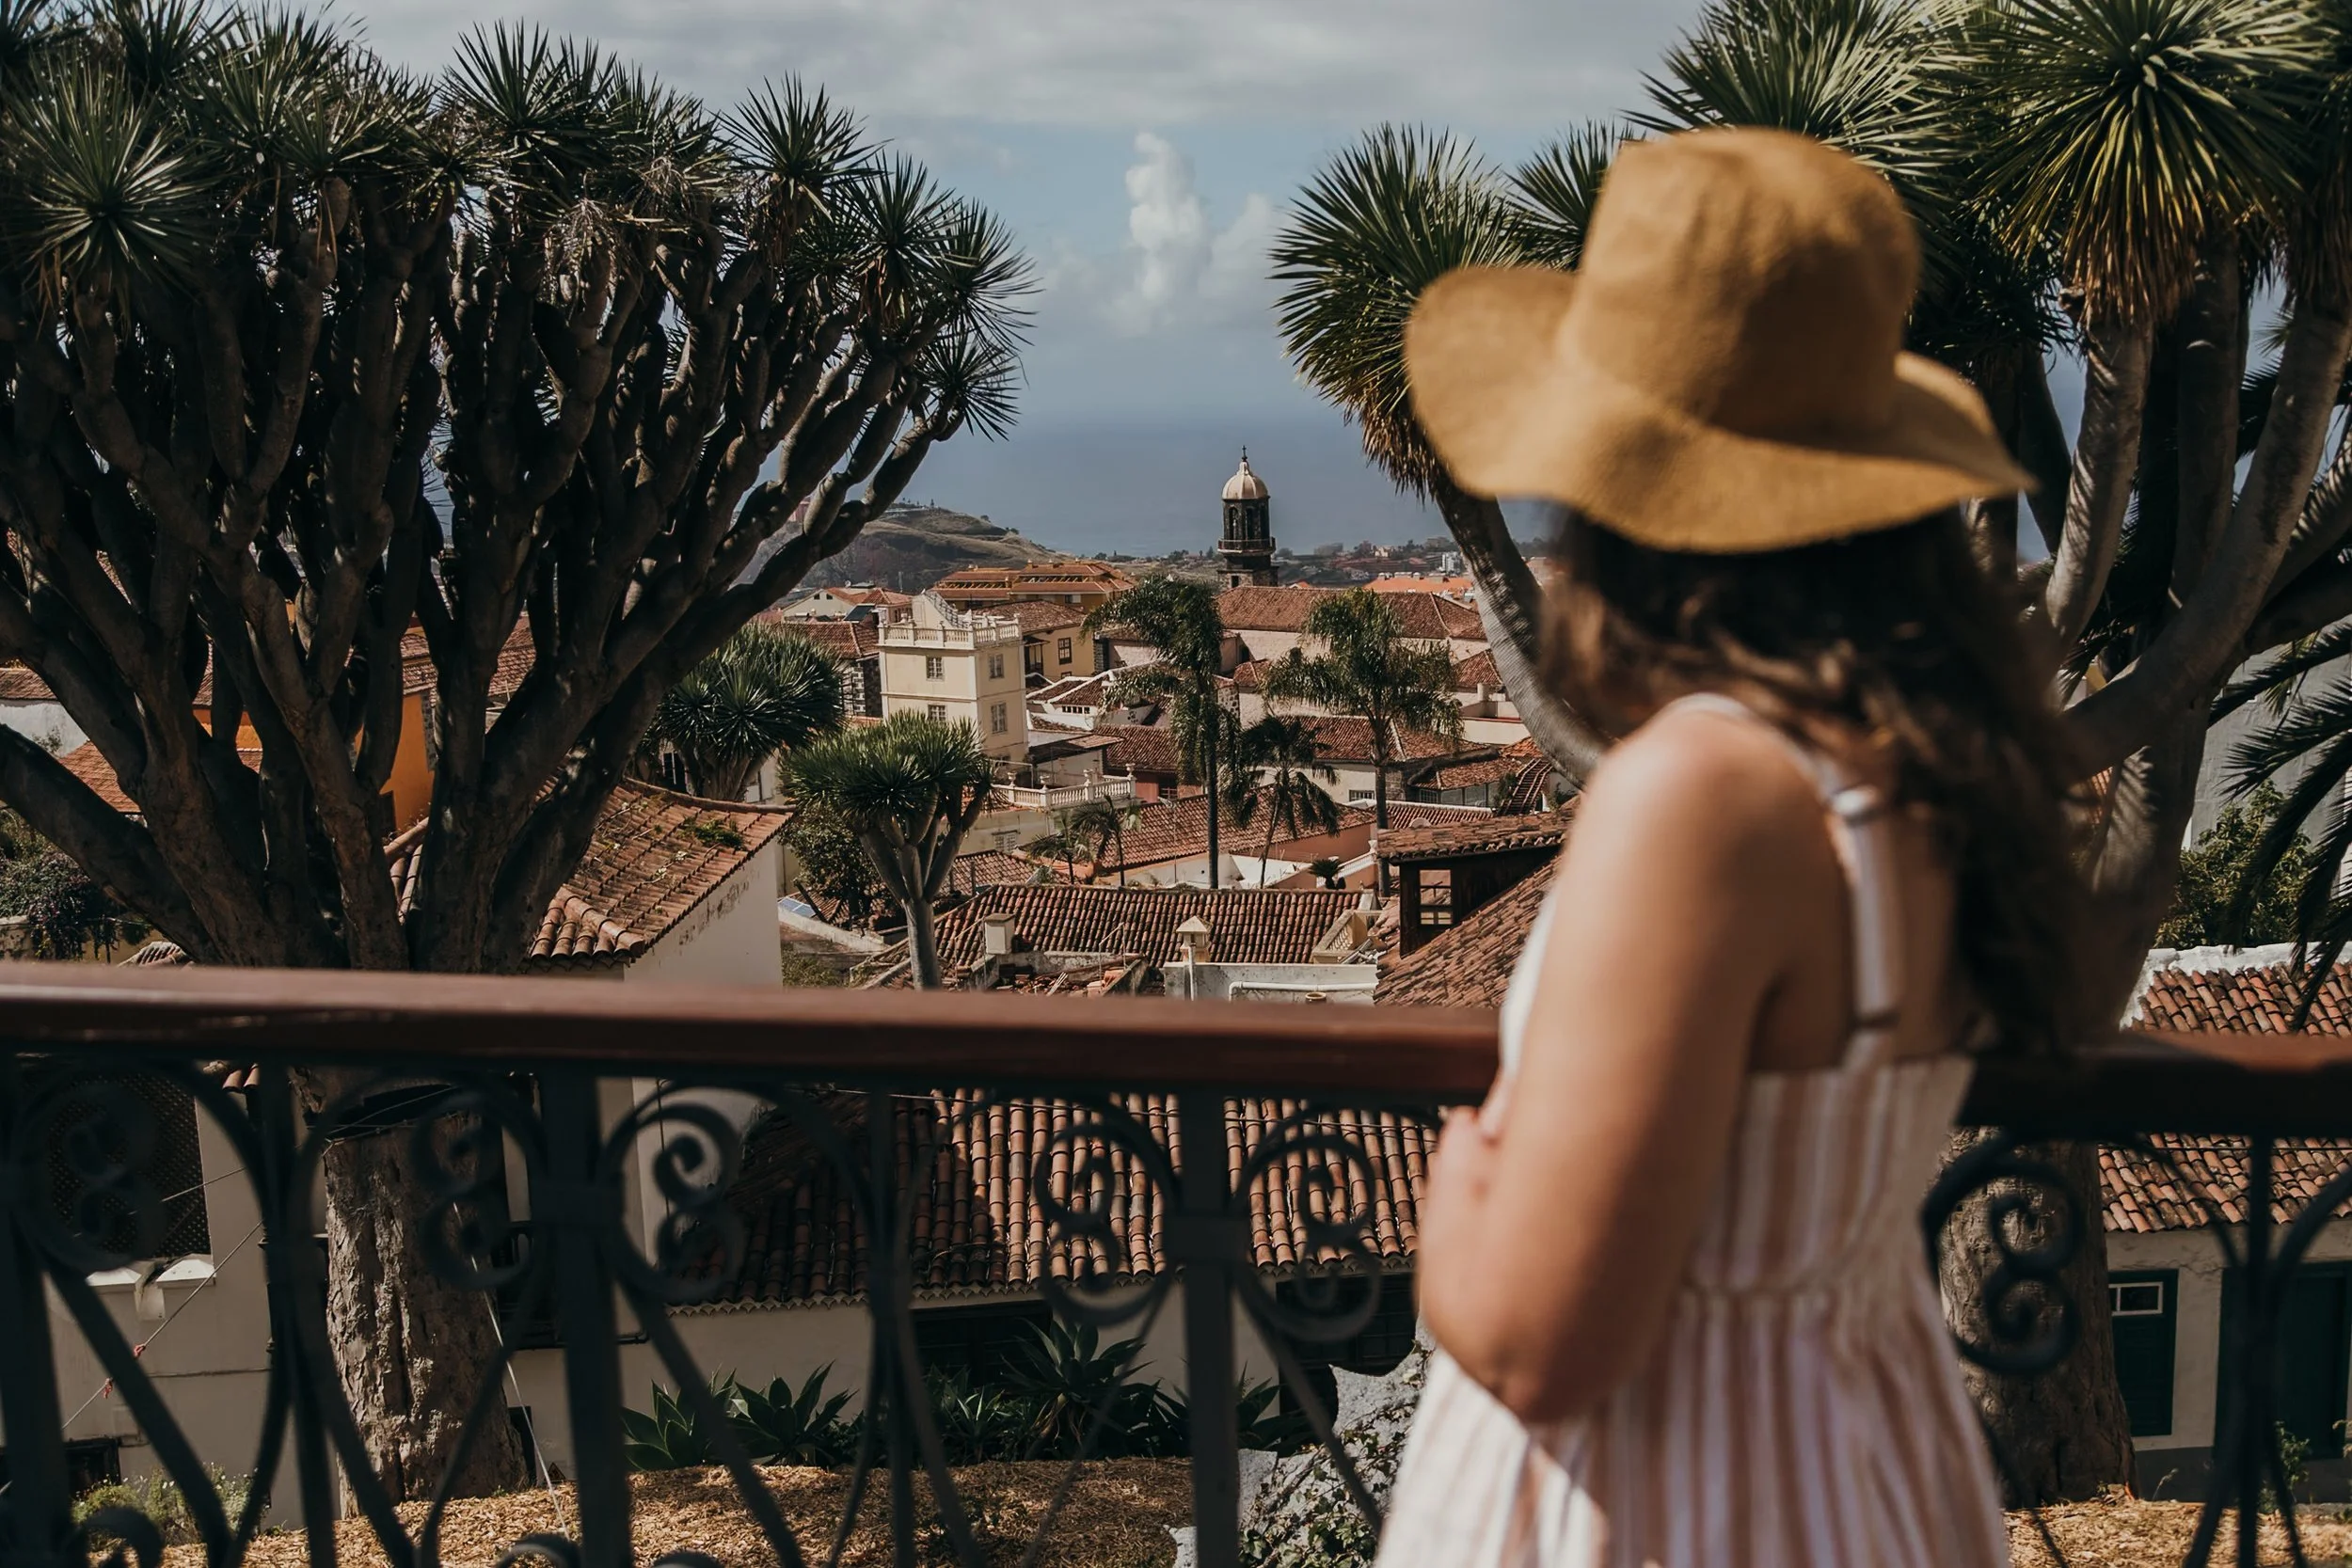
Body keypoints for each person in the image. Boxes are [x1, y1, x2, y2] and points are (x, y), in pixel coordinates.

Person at [1376, 127, 2085, 1566]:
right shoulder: (1925, 784)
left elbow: (1546, 1336)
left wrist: (1458, 1199)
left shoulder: (1704, 797)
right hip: (1862, 1472)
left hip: (1662, 1502)